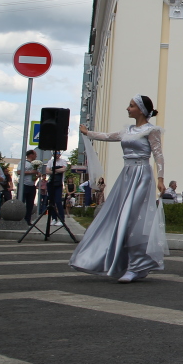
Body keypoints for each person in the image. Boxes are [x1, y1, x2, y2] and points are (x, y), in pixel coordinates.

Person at [70, 95, 167, 283]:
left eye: (131, 106)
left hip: (142, 174)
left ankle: (136, 265)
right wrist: (88, 133)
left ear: (141, 109)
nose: (127, 108)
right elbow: (107, 136)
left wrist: (161, 179)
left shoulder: (151, 130)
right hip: (127, 174)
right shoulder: (127, 130)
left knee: (132, 219)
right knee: (119, 216)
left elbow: (158, 155)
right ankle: (128, 263)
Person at [45, 151, 68, 223]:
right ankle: (54, 218)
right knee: (52, 202)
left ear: (60, 155)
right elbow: (47, 171)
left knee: (58, 201)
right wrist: (57, 171)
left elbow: (63, 169)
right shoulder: (50, 162)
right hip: (51, 183)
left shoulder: (63, 161)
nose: (56, 156)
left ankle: (61, 218)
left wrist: (53, 170)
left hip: (59, 183)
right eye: (55, 154)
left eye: (58, 154)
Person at [20, 149, 41, 223]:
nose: (36, 156)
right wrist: (30, 172)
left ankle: (27, 219)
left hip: (32, 185)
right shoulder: (23, 163)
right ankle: (20, 218)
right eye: (35, 154)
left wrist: (38, 174)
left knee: (30, 204)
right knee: (21, 202)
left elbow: (37, 172)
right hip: (24, 185)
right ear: (31, 155)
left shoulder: (35, 164)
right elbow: (19, 172)